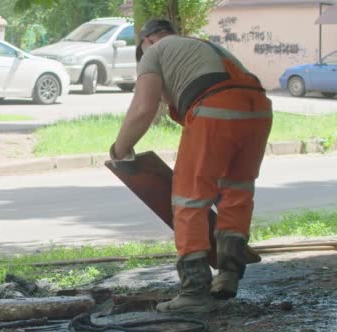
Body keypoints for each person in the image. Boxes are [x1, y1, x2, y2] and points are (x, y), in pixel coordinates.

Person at [111, 19, 272, 313]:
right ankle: (228, 275)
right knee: (237, 191)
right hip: (258, 109)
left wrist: (119, 150)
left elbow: (143, 109)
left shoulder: (153, 52)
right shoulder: (201, 46)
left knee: (189, 200)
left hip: (214, 108)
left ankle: (194, 292)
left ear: (146, 41)